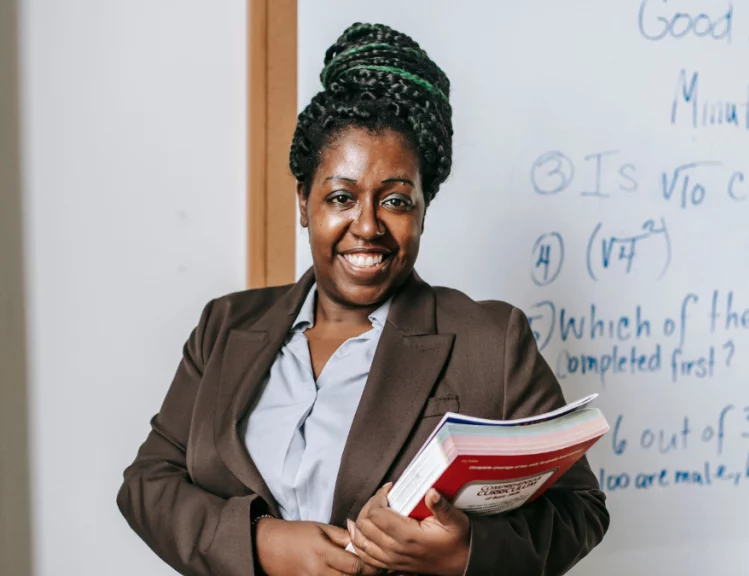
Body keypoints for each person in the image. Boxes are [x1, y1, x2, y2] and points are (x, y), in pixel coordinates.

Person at [117, 22, 609, 576]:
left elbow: (581, 510)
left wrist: (464, 552)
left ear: (424, 209)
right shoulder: (226, 325)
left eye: (396, 200)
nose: (368, 225)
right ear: (304, 202)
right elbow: (147, 484)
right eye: (341, 196)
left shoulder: (490, 342)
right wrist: (260, 542)